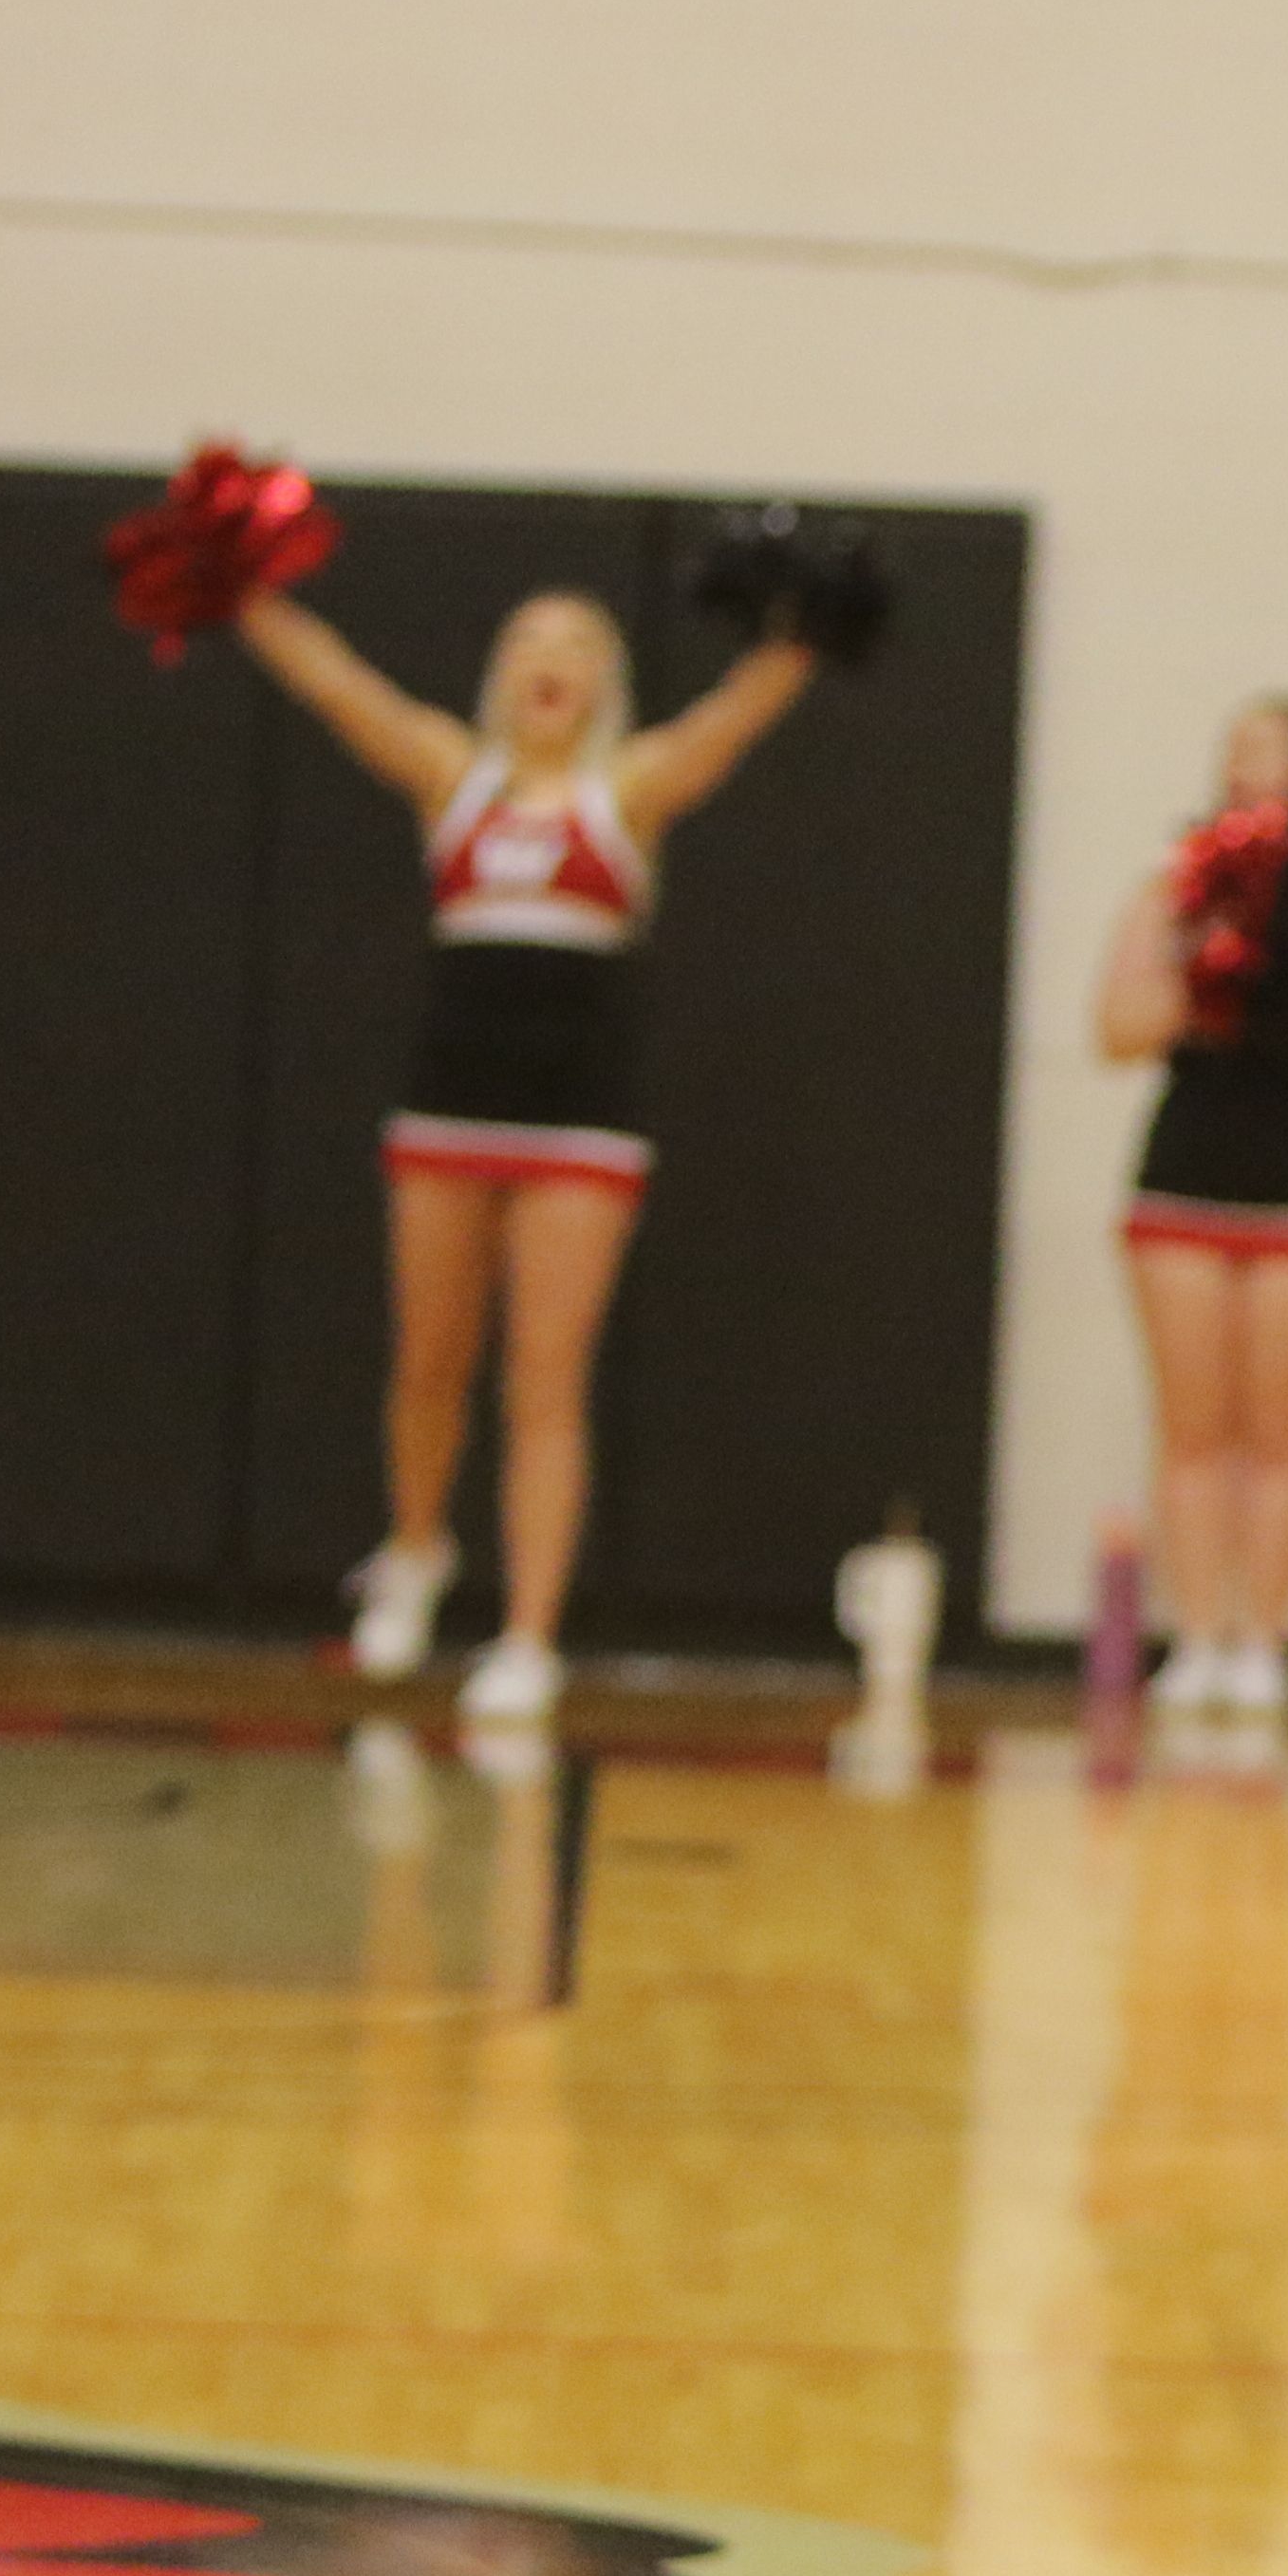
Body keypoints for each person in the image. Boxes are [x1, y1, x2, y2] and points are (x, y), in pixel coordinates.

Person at [240, 583, 815, 1729]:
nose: (550, 660)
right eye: (528, 642)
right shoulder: (453, 775)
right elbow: (335, 680)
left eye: (576, 646)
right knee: (428, 1359)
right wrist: (241, 589)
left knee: (546, 1380)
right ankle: (414, 1551)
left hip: (579, 1120)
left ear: (603, 683)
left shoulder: (632, 786)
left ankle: (529, 1635)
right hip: (451, 1105)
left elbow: (735, 719)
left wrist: (806, 635)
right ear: (501, 673)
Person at [1095, 697, 1288, 1727]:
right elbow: (1116, 1026)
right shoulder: (1177, 887)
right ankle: (1196, 1641)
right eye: (1233, 754)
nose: (1247, 773)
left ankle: (1265, 1648)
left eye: (1269, 756)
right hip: (1185, 1172)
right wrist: (1212, 978)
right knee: (1193, 1429)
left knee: (1279, 1432)